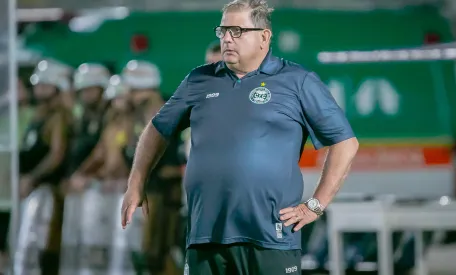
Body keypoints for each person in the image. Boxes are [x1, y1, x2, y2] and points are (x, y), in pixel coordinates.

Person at [121, 0, 359, 274]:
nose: (227, 39)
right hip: (205, 237)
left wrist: (315, 205)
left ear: (264, 37)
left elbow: (345, 143)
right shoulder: (199, 80)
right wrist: (136, 181)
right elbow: (157, 128)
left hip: (271, 238)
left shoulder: (297, 81)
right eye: (222, 31)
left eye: (237, 31)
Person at [121, 60, 184, 275]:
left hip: (165, 193)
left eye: (132, 88)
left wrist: (177, 172)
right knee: (147, 254)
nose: (128, 93)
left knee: (160, 252)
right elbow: (129, 151)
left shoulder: (168, 110)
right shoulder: (139, 113)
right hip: (150, 189)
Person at [19, 59, 72, 274]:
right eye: (38, 85)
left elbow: (56, 155)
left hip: (46, 190)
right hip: (32, 190)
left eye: (45, 85)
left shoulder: (59, 117)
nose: (39, 90)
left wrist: (33, 177)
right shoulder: (38, 116)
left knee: (43, 246)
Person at [68, 63, 111, 190]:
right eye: (83, 91)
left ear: (103, 89)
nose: (86, 95)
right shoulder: (83, 119)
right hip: (82, 184)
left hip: (101, 183)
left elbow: (102, 153)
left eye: (90, 90)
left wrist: (83, 173)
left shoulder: (109, 117)